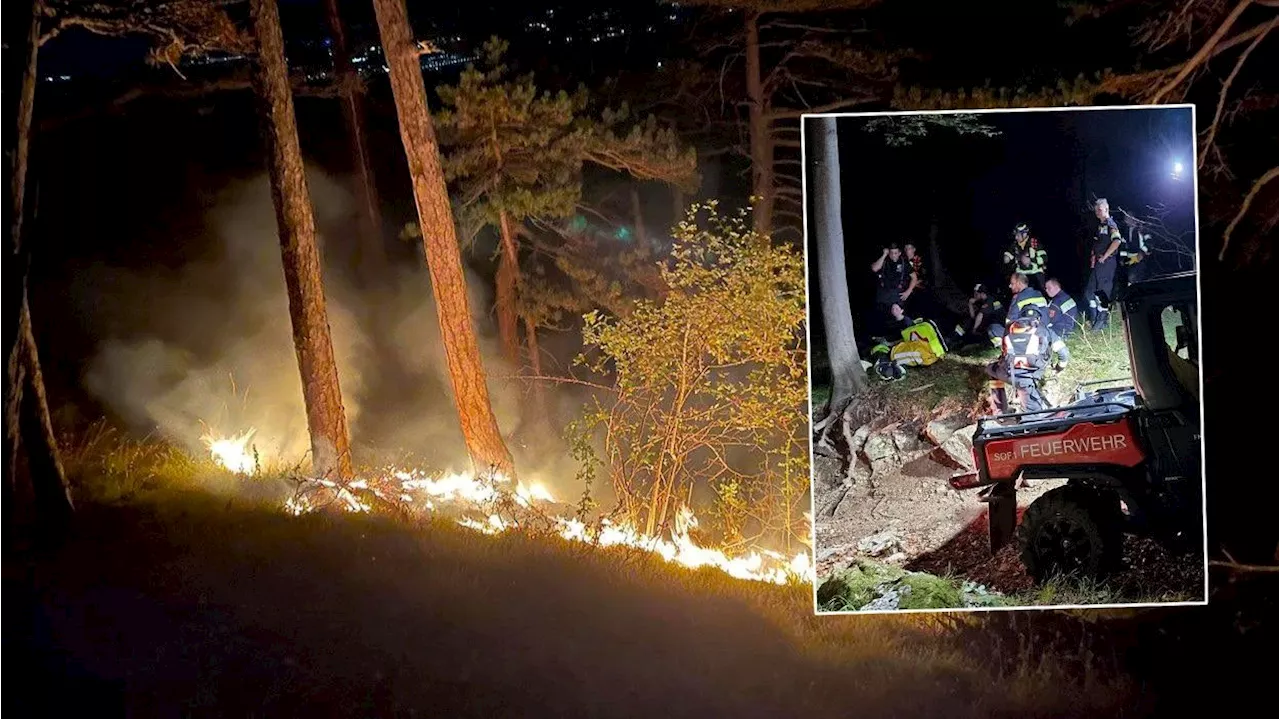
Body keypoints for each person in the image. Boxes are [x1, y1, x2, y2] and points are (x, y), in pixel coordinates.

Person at [986, 306, 1070, 417]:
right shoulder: (1045, 330)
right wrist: (1058, 368)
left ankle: (999, 411)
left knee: (991, 369)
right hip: (1027, 378)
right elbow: (1063, 353)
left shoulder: (1010, 327)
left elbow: (1003, 349)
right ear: (1039, 318)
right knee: (1034, 416)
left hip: (1006, 372)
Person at [1083, 198, 1123, 330]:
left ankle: (1101, 321)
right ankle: (1094, 317)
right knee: (1090, 292)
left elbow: (1117, 241)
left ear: (1106, 209)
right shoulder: (1100, 226)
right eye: (1096, 210)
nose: (1097, 213)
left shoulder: (1110, 224)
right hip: (1097, 265)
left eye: (1099, 210)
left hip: (1106, 263)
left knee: (1102, 293)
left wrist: (1105, 256)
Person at [987, 271, 1049, 348]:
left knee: (993, 328)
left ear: (1019, 283)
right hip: (1042, 333)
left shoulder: (1017, 298)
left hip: (1023, 337)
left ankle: (1005, 348)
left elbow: (1010, 322)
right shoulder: (1039, 294)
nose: (1010, 286)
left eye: (1012, 284)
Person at [871, 243, 917, 332]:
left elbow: (914, 278)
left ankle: (908, 333)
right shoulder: (884, 261)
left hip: (897, 295)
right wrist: (884, 254)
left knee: (900, 316)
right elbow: (874, 268)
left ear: (899, 253)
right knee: (882, 320)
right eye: (891, 253)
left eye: (896, 253)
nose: (893, 255)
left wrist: (908, 291)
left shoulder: (904, 263)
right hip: (883, 296)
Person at [1002, 223, 1047, 292]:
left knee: (1039, 292)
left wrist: (1031, 260)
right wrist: (1006, 258)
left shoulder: (1034, 243)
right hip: (1021, 275)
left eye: (1018, 235)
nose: (1016, 237)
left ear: (1025, 234)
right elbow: (1008, 254)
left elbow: (1044, 258)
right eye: (1015, 235)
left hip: (1035, 274)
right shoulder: (1014, 245)